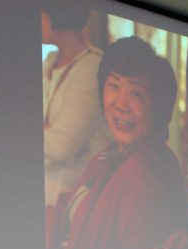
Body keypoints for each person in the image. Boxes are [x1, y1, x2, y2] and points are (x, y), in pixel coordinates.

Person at [46, 36, 188, 249]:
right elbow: (69, 209)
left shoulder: (145, 170)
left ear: (158, 107)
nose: (120, 103)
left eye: (136, 93)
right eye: (113, 86)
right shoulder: (112, 153)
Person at [42, 3, 110, 207]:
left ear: (57, 15)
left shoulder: (92, 67)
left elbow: (62, 146)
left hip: (70, 204)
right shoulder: (49, 61)